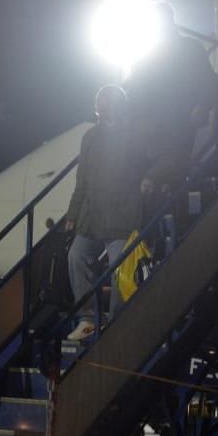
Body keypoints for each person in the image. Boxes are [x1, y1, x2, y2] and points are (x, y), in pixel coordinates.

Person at [64, 85, 149, 341]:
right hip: (93, 215)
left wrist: (153, 178)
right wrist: (73, 214)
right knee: (76, 256)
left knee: (120, 267)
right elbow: (82, 180)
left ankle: (117, 321)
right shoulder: (90, 137)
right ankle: (87, 318)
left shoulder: (136, 133)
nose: (100, 107)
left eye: (105, 102)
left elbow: (154, 160)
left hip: (123, 216)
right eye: (98, 102)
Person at [125, 2, 218, 199]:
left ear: (171, 21)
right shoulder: (145, 58)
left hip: (182, 124)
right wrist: (139, 121)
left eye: (163, 20)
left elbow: (209, 82)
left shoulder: (191, 48)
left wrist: (202, 106)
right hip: (153, 129)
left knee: (173, 173)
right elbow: (134, 94)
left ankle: (156, 182)